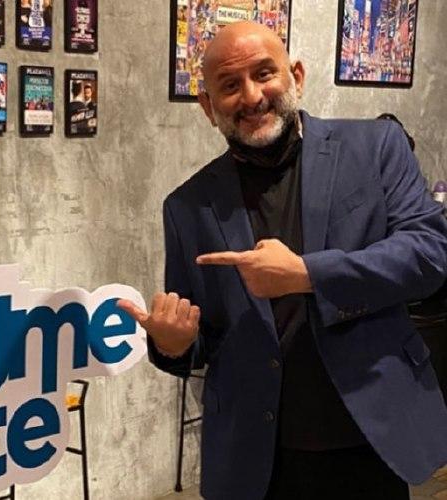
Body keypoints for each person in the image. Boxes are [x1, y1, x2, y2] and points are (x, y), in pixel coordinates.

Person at [118, 21, 447, 500]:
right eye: (230, 85)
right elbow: (202, 336)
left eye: (263, 74)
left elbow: (430, 253)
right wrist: (172, 345)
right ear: (208, 106)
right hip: (257, 457)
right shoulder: (187, 206)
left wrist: (309, 274)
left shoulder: (376, 147)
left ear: (296, 75)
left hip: (369, 437)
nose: (252, 96)